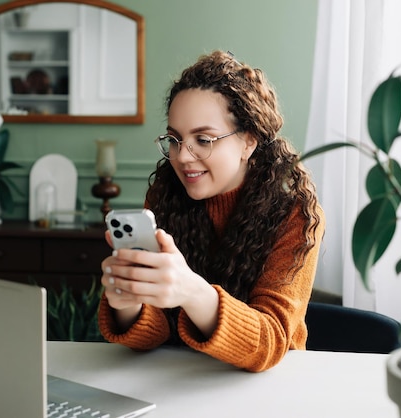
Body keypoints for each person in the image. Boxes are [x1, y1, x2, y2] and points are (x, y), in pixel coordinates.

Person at [98, 50, 325, 372]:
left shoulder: (295, 214)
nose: (183, 157)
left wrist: (191, 290)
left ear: (248, 141)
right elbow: (155, 334)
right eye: (175, 139)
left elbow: (272, 341)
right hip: (178, 381)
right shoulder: (165, 196)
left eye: (203, 139)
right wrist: (129, 303)